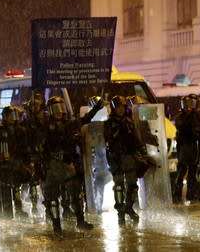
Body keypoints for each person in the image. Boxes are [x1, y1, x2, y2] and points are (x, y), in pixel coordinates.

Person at [43, 95, 102, 233]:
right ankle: (56, 226)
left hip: (68, 164)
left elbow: (85, 120)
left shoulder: (69, 123)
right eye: (56, 108)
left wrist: (96, 108)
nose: (59, 111)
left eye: (61, 108)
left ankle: (80, 221)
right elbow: (41, 146)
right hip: (53, 165)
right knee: (52, 198)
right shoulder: (46, 127)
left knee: (76, 194)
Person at [104, 95, 149, 225]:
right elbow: (108, 140)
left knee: (132, 185)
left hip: (129, 157)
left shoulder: (129, 121)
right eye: (118, 107)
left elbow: (136, 139)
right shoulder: (109, 123)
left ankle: (129, 208)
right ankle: (120, 212)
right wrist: (118, 129)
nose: (121, 110)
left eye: (123, 107)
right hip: (116, 158)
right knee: (118, 186)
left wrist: (142, 152)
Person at [0, 106, 30, 219]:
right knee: (4, 188)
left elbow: (24, 147)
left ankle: (19, 209)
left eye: (14, 116)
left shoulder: (20, 130)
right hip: (3, 164)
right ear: (4, 116)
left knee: (16, 188)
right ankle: (5, 213)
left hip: (16, 163)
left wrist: (26, 163)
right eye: (9, 116)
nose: (12, 119)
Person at [172, 94, 200, 204]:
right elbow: (182, 127)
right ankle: (177, 195)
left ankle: (191, 194)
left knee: (193, 172)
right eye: (186, 104)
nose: (188, 107)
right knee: (181, 172)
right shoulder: (180, 117)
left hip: (194, 146)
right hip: (184, 147)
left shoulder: (197, 115)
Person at [21, 93, 47, 216]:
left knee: (44, 180)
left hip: (43, 153)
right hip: (30, 153)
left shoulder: (44, 118)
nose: (35, 106)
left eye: (38, 104)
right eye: (34, 104)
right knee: (32, 181)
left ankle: (48, 203)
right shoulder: (26, 118)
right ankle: (33, 205)